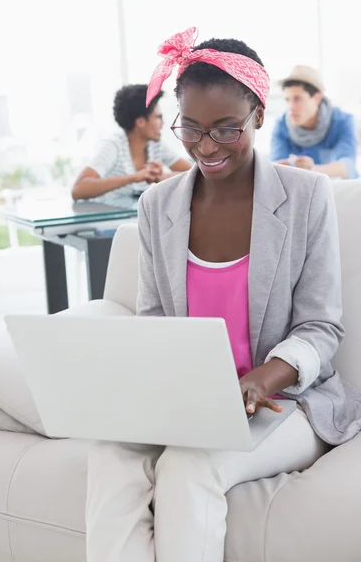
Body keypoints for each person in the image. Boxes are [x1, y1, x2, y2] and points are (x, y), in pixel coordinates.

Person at [86, 28, 361, 562]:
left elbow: (321, 326)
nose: (205, 146)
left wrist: (262, 378)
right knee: (110, 455)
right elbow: (156, 320)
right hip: (188, 401)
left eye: (225, 129)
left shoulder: (307, 197)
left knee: (189, 466)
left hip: (285, 400)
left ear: (258, 115)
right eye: (190, 126)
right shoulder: (157, 206)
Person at [71, 84, 191, 207]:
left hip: (133, 217)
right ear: (140, 122)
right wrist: (133, 177)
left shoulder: (155, 145)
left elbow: (194, 174)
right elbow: (78, 189)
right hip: (104, 220)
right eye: (158, 117)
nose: (163, 123)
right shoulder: (113, 146)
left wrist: (162, 177)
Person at [271, 65, 358, 178]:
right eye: (287, 100)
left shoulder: (343, 121)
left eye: (297, 99)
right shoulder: (281, 126)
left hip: (337, 188)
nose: (290, 107)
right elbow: (276, 166)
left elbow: (347, 166)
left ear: (317, 98)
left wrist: (313, 170)